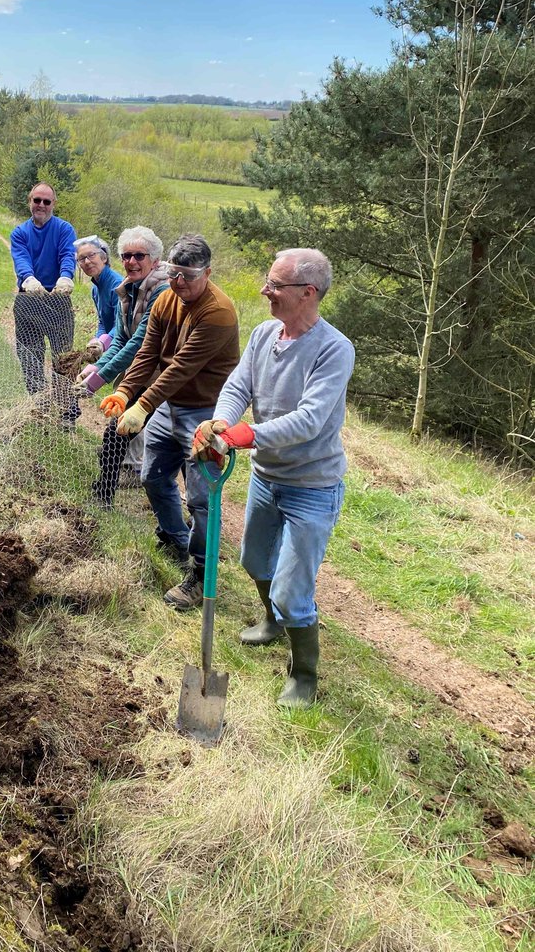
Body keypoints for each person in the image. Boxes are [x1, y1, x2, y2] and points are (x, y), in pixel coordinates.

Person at [192, 248, 355, 708]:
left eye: (275, 285)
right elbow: (238, 386)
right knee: (254, 561)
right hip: (267, 476)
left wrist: (243, 435)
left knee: (292, 588)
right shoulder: (265, 334)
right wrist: (221, 424)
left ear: (307, 293)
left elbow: (309, 420)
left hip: (312, 486)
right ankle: (271, 621)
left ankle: (303, 674)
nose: (266, 291)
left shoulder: (334, 349)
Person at [100, 234, 239, 609]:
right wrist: (125, 392)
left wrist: (142, 405)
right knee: (153, 477)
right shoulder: (165, 299)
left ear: (207, 273)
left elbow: (181, 367)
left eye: (188, 276)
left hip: (204, 414)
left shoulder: (218, 313)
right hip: (168, 405)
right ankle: (178, 539)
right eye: (174, 273)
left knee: (201, 498)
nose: (179, 283)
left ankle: (199, 575)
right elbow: (148, 353)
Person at [74, 226, 168, 507]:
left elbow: (138, 343)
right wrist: (98, 366)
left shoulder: (161, 293)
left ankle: (188, 520)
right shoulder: (127, 289)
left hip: (163, 378)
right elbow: (120, 338)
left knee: (167, 445)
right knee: (119, 435)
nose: (131, 261)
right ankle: (105, 494)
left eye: (139, 255)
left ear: (155, 260)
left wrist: (96, 380)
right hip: (137, 374)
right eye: (126, 255)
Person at [10, 183, 77, 410]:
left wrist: (66, 277)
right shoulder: (19, 233)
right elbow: (21, 258)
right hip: (29, 299)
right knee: (30, 355)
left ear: (53, 204)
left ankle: (68, 410)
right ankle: (40, 407)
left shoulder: (64, 229)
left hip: (58, 299)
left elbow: (68, 254)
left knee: (64, 356)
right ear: (30, 201)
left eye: (46, 201)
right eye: (37, 200)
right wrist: (28, 278)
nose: (41, 205)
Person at [73, 235, 122, 358]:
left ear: (104, 257)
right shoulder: (95, 287)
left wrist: (103, 342)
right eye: (82, 258)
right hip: (114, 345)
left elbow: (122, 325)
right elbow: (103, 322)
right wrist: (97, 341)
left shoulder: (117, 285)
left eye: (91, 255)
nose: (87, 262)